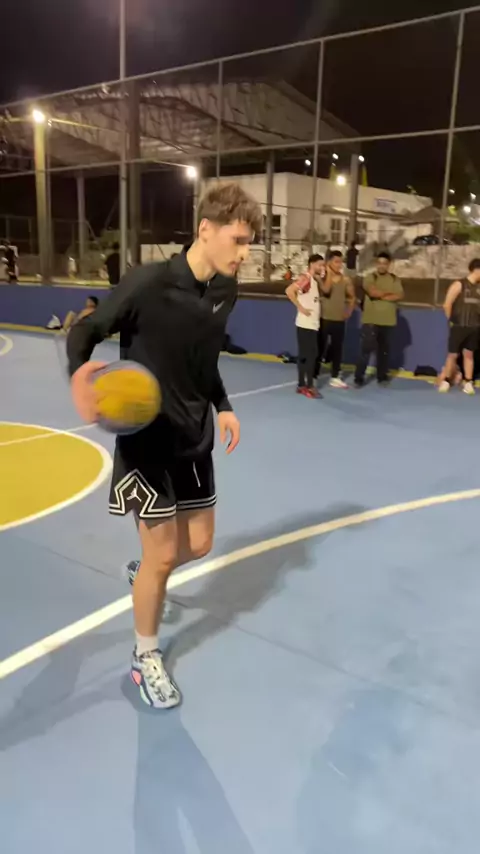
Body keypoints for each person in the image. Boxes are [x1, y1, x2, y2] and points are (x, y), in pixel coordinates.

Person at [67, 182, 262, 709]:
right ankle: (144, 658)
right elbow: (86, 331)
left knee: (198, 545)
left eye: (249, 243)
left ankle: (146, 575)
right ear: (206, 229)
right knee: (162, 554)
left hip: (193, 437)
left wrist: (223, 405)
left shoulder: (225, 290)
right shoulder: (147, 284)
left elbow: (204, 360)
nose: (245, 254)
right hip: (147, 441)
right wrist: (80, 376)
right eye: (239, 240)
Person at [354, 251, 404, 387]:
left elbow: (399, 295)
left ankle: (382, 377)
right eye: (379, 263)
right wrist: (389, 294)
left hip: (388, 321)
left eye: (385, 263)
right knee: (366, 350)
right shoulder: (370, 277)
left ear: (389, 265)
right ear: (376, 264)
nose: (382, 266)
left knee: (384, 351)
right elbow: (372, 292)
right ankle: (359, 378)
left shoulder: (395, 279)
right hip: (371, 320)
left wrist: (380, 295)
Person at [437, 258, 480, 395]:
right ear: (476, 270)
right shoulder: (459, 284)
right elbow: (447, 304)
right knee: (453, 355)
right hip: (458, 326)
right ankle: (446, 381)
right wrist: (452, 320)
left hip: (474, 328)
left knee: (469, 354)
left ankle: (468, 382)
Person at [285, 254, 324, 399]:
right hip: (306, 324)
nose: (322, 267)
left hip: (312, 324)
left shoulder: (313, 280)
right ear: (312, 264)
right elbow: (289, 291)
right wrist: (300, 307)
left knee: (306, 355)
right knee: (310, 355)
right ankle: (308, 386)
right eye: (320, 264)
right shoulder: (306, 278)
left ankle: (302, 385)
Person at [318, 251, 355, 389]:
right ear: (329, 263)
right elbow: (326, 291)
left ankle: (335, 377)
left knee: (337, 349)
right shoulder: (321, 278)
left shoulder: (346, 280)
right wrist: (327, 272)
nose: (339, 265)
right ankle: (313, 374)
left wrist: (349, 311)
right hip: (323, 318)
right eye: (336, 262)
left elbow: (352, 297)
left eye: (341, 262)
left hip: (339, 320)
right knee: (320, 347)